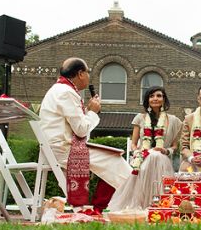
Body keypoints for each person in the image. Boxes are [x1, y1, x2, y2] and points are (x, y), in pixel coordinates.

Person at [39, 58, 132, 214]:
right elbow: (81, 130)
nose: (89, 76)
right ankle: (132, 202)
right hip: (64, 150)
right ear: (80, 74)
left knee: (112, 158)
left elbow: (76, 127)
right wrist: (92, 112)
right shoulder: (66, 92)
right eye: (88, 72)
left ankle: (105, 206)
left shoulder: (59, 89)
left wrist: (87, 110)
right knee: (115, 158)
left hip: (59, 147)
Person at [108, 86, 182, 211]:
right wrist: (137, 152)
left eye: (159, 96)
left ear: (164, 99)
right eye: (151, 96)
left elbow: (175, 146)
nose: (155, 98)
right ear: (147, 100)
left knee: (156, 156)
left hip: (162, 158)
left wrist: (165, 150)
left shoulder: (173, 120)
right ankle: (144, 204)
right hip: (143, 158)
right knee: (151, 158)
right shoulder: (140, 118)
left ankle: (160, 205)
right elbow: (134, 143)